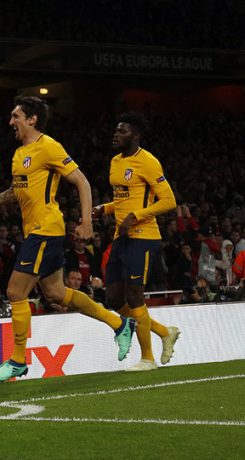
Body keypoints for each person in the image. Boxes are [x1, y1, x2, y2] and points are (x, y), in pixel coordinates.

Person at [0, 96, 136, 382]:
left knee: (14, 292)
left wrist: (86, 222)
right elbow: (16, 190)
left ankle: (18, 360)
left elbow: (82, 181)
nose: (10, 122)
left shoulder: (49, 146)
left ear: (32, 119)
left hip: (45, 229)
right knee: (56, 294)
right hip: (36, 231)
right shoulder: (19, 153)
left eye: (16, 116)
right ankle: (120, 323)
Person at [93, 112, 181, 371]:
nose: (116, 135)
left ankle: (147, 359)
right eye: (116, 131)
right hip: (121, 236)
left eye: (122, 131)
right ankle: (164, 331)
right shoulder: (115, 162)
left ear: (136, 135)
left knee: (134, 296)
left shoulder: (148, 162)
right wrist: (105, 209)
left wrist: (136, 216)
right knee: (112, 298)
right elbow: (123, 200)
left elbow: (168, 201)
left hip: (143, 237)